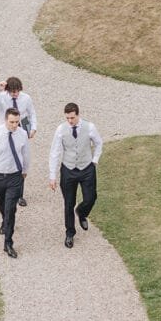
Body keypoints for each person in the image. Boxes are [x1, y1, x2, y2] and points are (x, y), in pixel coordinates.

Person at [48, 102, 103, 249]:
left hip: (86, 168)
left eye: (72, 117)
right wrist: (52, 176)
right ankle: (70, 233)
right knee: (68, 203)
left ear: (78, 114)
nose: (70, 121)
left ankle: (82, 211)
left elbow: (99, 143)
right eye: (67, 118)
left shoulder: (89, 127)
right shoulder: (61, 130)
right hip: (68, 169)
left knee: (91, 197)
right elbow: (55, 152)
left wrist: (94, 160)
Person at [0, 108, 30, 258]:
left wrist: (25, 171)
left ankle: (8, 242)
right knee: (2, 204)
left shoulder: (22, 135)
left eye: (17, 122)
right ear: (5, 120)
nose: (15, 125)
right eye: (12, 122)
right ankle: (5, 220)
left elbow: (26, 154)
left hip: (15, 176)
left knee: (10, 209)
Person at [0, 76, 38, 207]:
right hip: (6, 130)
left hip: (22, 127)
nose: (15, 94)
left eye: (17, 91)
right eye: (13, 91)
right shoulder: (2, 97)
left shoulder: (26, 98)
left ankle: (19, 194)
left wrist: (32, 128)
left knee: (20, 159)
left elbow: (31, 113)